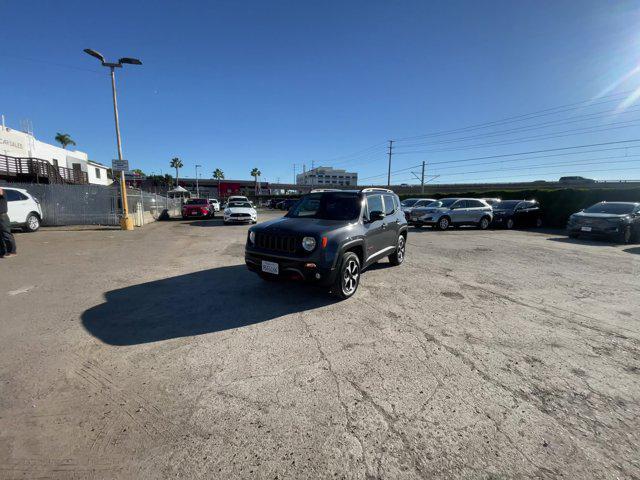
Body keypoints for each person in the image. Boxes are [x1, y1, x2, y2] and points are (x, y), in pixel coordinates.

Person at [0, 187, 17, 258]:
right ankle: (2, 252)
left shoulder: (2, 191)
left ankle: (12, 251)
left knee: (6, 234)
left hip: (2, 216)